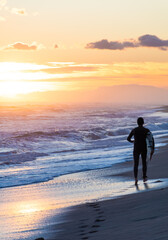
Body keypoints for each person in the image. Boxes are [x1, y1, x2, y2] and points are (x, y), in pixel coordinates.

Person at [127, 117, 154, 185]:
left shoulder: (134, 130)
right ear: (143, 122)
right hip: (144, 148)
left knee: (136, 164)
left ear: (137, 123)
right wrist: (152, 149)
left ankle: (136, 179)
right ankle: (144, 177)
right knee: (144, 163)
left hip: (136, 148)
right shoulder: (146, 130)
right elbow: (151, 139)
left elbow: (128, 138)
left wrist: (133, 141)